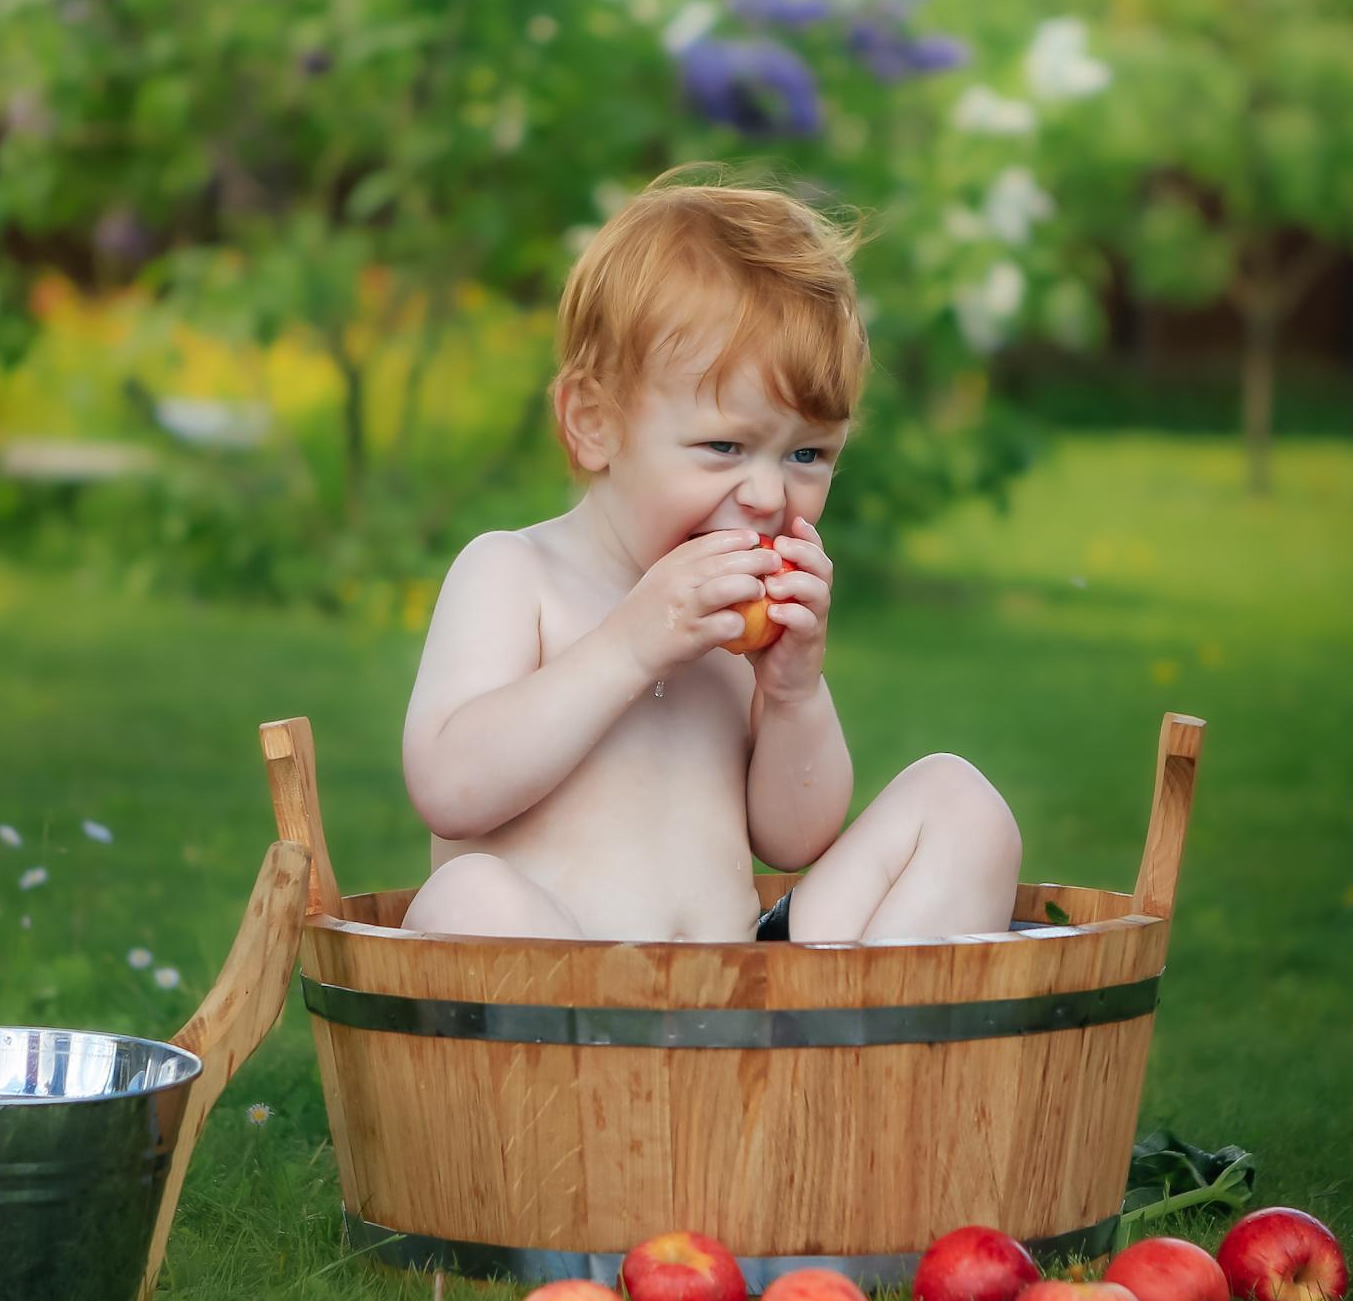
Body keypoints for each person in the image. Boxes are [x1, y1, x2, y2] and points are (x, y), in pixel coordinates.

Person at [398, 169, 1022, 942]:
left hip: (745, 1007)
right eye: (725, 446)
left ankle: (850, 1049)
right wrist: (628, 646)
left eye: (807, 456)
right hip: (564, 998)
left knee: (959, 801)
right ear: (594, 424)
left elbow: (793, 841)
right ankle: (620, 1062)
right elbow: (450, 789)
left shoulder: (735, 629)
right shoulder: (517, 576)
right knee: (468, 896)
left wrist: (794, 694)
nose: (766, 494)